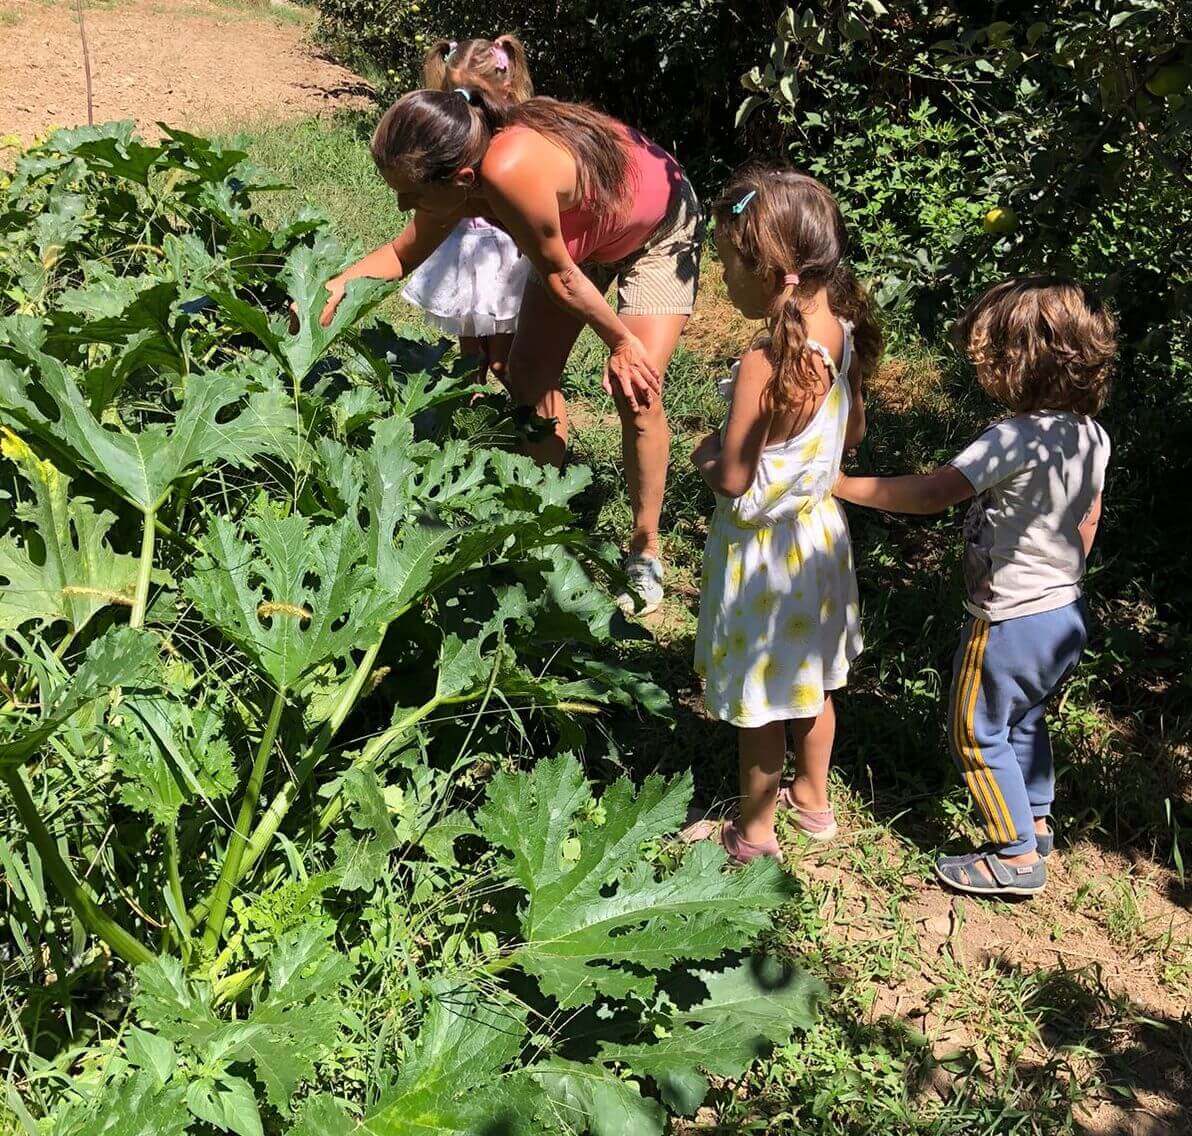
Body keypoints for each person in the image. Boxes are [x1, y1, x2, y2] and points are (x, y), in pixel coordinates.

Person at [317, 87, 704, 615]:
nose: (404, 206)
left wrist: (620, 342)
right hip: (576, 241)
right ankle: (543, 514)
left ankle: (645, 547)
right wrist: (337, 283)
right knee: (527, 373)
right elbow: (402, 251)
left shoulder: (508, 168)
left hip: (655, 230)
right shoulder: (463, 175)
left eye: (410, 195)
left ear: (462, 180)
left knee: (637, 390)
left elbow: (561, 275)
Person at [835, 277, 1116, 897]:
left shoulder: (1015, 436)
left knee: (976, 727)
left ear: (1019, 361)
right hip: (1063, 611)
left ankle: (1013, 855)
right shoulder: (1091, 434)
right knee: (1025, 718)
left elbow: (935, 493)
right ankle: (1036, 822)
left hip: (1010, 617)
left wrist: (845, 485)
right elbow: (1088, 517)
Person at [689, 166, 881, 863]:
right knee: (812, 684)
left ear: (773, 273)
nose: (721, 281)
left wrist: (701, 453)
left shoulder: (763, 364)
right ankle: (814, 801)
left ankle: (755, 832)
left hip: (765, 555)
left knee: (762, 705)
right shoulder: (843, 332)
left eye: (727, 266)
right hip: (820, 539)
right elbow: (851, 435)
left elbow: (736, 477)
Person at [400, 36, 533, 387]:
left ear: (506, 88)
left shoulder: (514, 137)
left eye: (474, 97)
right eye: (455, 97)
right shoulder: (453, 133)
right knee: (470, 359)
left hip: (504, 249)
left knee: (504, 361)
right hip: (462, 245)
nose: (467, 106)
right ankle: (470, 418)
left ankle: (526, 421)